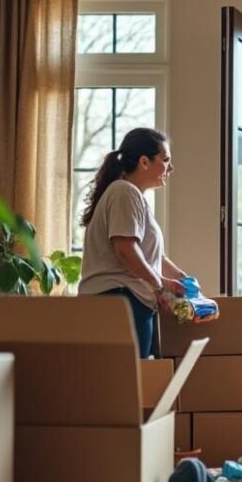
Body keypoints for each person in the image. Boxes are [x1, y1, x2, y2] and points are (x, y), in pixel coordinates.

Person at [78, 127, 188, 358]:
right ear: (144, 162)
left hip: (127, 301)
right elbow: (125, 249)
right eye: (166, 160)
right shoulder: (124, 192)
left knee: (135, 374)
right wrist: (159, 284)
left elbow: (154, 256)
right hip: (118, 300)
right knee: (127, 376)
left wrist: (182, 279)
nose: (171, 168)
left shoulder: (133, 196)